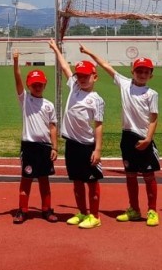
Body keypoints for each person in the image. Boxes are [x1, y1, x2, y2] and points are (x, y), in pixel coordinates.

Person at [80, 44, 161, 227]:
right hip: (127, 137)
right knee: (130, 175)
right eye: (139, 71)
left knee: (148, 176)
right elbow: (106, 66)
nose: (142, 74)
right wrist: (89, 52)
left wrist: (148, 139)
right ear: (132, 72)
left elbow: (154, 119)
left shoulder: (152, 94)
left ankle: (152, 210)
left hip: (143, 138)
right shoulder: (124, 84)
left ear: (151, 75)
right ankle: (134, 209)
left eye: (145, 72)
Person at [48, 39, 105, 229]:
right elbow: (65, 67)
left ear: (94, 77)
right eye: (79, 75)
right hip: (71, 143)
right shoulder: (74, 86)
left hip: (87, 145)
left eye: (85, 76)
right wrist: (56, 49)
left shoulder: (96, 99)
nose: (81, 79)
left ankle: (94, 216)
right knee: (77, 181)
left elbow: (98, 125)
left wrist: (97, 149)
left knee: (91, 181)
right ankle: (82, 212)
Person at [11, 49, 58, 224]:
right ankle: (22, 210)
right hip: (29, 146)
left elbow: (52, 126)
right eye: (33, 84)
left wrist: (54, 146)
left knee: (44, 180)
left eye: (40, 84)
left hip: (44, 147)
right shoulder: (25, 101)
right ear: (29, 86)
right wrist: (16, 62)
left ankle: (46, 209)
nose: (37, 87)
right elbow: (17, 79)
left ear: (44, 85)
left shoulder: (49, 105)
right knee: (27, 179)